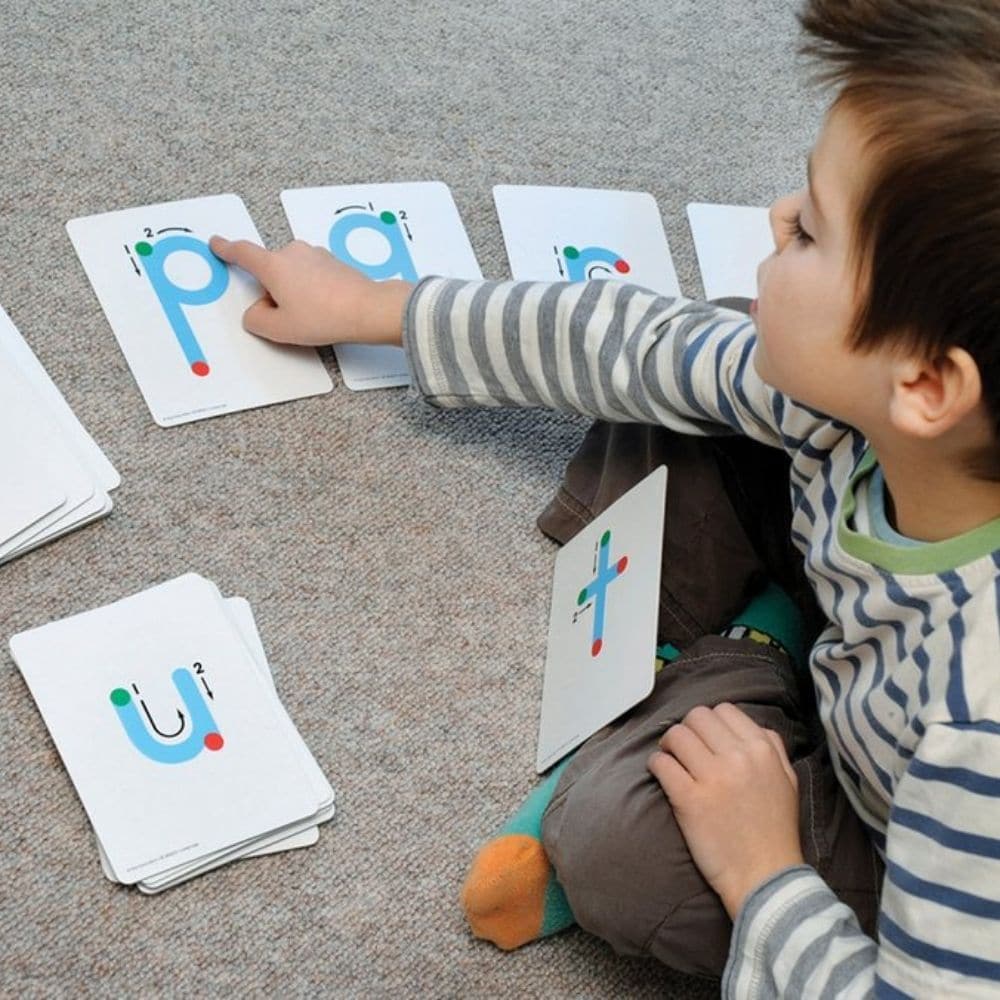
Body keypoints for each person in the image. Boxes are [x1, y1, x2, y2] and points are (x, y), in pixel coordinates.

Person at [209, 0, 1000, 992]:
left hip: (906, 841)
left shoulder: (979, 729)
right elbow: (632, 341)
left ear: (925, 387)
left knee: (620, 848)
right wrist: (379, 307)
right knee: (701, 360)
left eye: (811, 231)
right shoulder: (874, 404)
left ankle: (731, 665)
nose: (774, 218)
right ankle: (758, 645)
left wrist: (765, 871)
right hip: (872, 622)